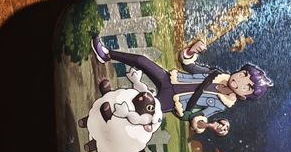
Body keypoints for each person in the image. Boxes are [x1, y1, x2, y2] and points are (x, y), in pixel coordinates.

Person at [91, 35, 273, 136]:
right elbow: (190, 66)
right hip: (170, 80)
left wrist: (207, 125)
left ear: (244, 96)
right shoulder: (216, 74)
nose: (240, 80)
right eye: (244, 74)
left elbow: (200, 117)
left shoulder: (221, 104)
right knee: (142, 61)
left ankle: (110, 116)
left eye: (247, 86)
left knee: (142, 112)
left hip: (173, 101)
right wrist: (192, 51)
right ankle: (106, 54)